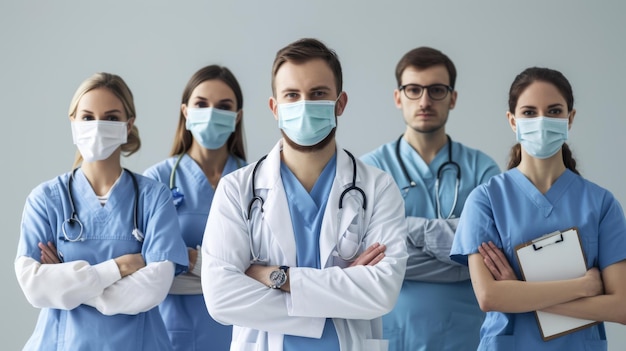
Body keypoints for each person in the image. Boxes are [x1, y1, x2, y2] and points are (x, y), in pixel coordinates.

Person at [201, 38, 408, 351]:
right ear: (275, 108)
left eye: (318, 94)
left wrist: (279, 278)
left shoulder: (378, 188)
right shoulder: (237, 190)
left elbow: (381, 291)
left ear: (340, 103)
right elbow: (222, 299)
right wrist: (337, 294)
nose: (304, 105)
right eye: (292, 95)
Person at [450, 67, 626, 350]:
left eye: (554, 111)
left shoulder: (601, 204)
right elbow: (490, 297)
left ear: (570, 118)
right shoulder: (485, 200)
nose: (542, 121)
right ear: (512, 120)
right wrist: (583, 288)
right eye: (529, 112)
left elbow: (621, 306)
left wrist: (519, 290)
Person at [14, 72, 189, 351]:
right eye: (87, 117)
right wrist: (119, 268)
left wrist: (69, 286)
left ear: (128, 125)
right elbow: (35, 286)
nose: (97, 126)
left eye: (110, 118)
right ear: (73, 122)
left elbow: (154, 286)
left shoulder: (154, 197)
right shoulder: (45, 199)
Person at [361, 46, 500, 350]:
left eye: (437, 90)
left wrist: (400, 242)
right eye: (414, 90)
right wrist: (461, 254)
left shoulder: (482, 169)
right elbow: (360, 254)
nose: (425, 101)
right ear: (398, 97)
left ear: (453, 98)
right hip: (389, 333)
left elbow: (493, 257)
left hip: (464, 335)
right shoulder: (368, 171)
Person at [143, 65, 246, 350]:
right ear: (186, 111)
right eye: (202, 104)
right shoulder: (157, 181)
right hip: (175, 332)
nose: (212, 113)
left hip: (242, 331)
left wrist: (188, 260)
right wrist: (232, 271)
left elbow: (269, 264)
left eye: (224, 106)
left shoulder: (256, 181)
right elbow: (153, 266)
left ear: (237, 117)